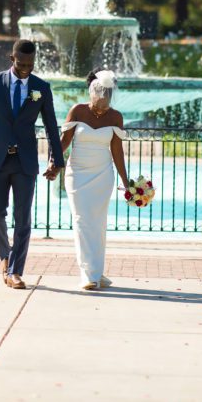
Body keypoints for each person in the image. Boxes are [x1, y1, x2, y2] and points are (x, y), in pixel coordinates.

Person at [0, 39, 65, 289]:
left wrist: (56, 160)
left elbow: (51, 126)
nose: (25, 69)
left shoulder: (41, 87)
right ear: (12, 59)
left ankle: (15, 271)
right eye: (21, 64)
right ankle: (7, 256)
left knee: (23, 218)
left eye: (30, 65)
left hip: (25, 162)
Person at [59, 69, 130, 290]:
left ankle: (96, 271)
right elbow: (64, 142)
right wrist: (53, 163)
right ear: (93, 92)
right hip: (77, 174)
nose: (105, 101)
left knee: (98, 223)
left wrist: (126, 183)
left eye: (109, 96)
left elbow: (117, 151)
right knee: (82, 220)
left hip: (103, 176)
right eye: (102, 96)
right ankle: (88, 274)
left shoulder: (115, 116)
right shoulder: (77, 111)